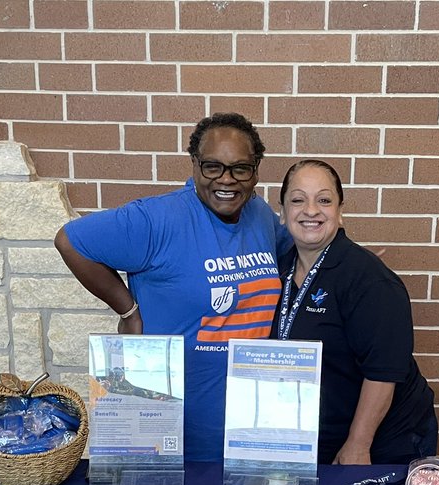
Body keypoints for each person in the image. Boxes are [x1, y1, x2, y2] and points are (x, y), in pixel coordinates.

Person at [54, 113, 290, 461]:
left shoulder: (259, 214)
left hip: (251, 428)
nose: (227, 180)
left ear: (256, 171)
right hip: (168, 429)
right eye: (213, 167)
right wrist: (128, 310)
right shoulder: (157, 219)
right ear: (194, 165)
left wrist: (343, 261)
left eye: (241, 168)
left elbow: (292, 255)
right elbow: (70, 241)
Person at [273, 159, 437, 465]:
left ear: (339, 211)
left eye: (324, 200)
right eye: (298, 200)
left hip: (385, 440)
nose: (311, 210)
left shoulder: (369, 280)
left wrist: (358, 444)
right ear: (282, 213)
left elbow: (383, 373)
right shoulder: (278, 271)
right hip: (317, 437)